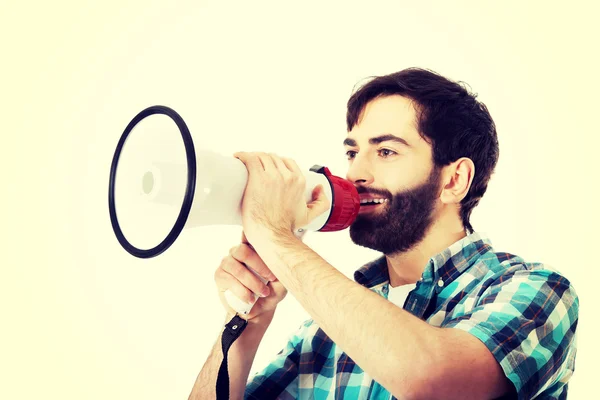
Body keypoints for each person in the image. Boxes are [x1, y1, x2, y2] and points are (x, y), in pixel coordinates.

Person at [188, 68, 579, 400]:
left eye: (386, 152)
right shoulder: (326, 331)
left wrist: (275, 238)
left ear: (454, 180)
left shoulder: (538, 290)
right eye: (352, 152)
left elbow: (431, 379)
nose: (356, 173)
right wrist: (246, 321)